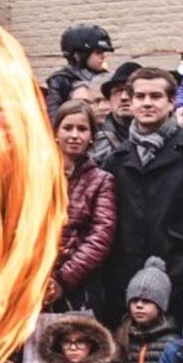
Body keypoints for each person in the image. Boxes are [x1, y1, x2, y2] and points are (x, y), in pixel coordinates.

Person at [103, 68, 183, 324]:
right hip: (127, 286)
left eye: (156, 96)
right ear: (131, 101)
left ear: (171, 102)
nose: (147, 103)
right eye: (140, 96)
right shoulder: (116, 159)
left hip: (181, 280)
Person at [52, 105, 118, 312]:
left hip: (79, 284)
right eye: (67, 128)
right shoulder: (35, 174)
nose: (74, 135)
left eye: (82, 129)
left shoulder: (101, 180)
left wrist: (63, 279)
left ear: (91, 136)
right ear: (56, 133)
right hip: (33, 278)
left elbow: (100, 237)